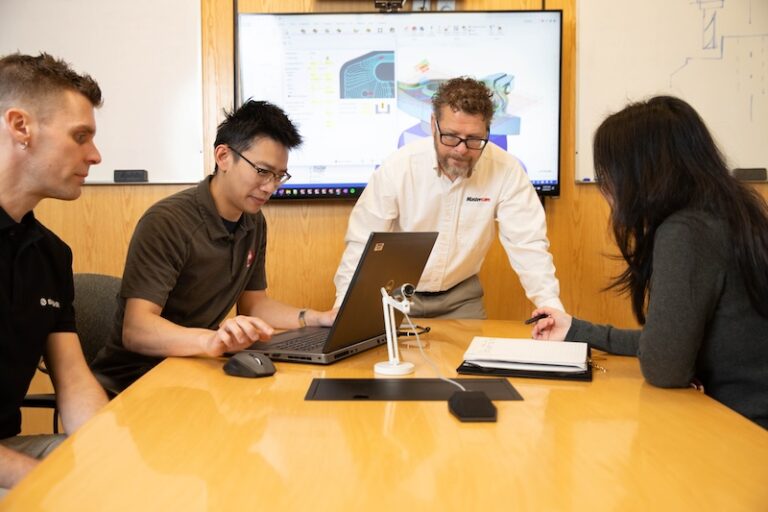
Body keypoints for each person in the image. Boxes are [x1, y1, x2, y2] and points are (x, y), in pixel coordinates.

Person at [531, 96, 768, 429]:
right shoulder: (732, 211)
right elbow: (669, 341)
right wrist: (576, 329)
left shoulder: (686, 231)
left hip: (743, 429)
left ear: (641, 173)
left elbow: (664, 366)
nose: (605, 188)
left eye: (609, 173)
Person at [91, 100, 336, 391]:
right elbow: (137, 330)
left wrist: (315, 318)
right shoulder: (167, 221)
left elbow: (254, 305)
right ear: (223, 157)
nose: (271, 187)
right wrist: (212, 341)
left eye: (279, 176)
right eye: (262, 171)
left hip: (193, 368)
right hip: (132, 382)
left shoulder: (253, 222)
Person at [333, 77, 564, 318]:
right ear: (433, 125)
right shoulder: (398, 168)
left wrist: (550, 305)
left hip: (461, 297)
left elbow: (527, 243)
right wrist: (343, 307)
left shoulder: (506, 170)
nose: (461, 150)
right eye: (451, 136)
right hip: (398, 295)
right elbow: (361, 243)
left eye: (474, 139)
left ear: (488, 131)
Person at [0, 53, 109, 493]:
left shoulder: (50, 254)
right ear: (21, 127)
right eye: (80, 136)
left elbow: (74, 379)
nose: (95, 155)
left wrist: (111, 449)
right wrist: (46, 481)